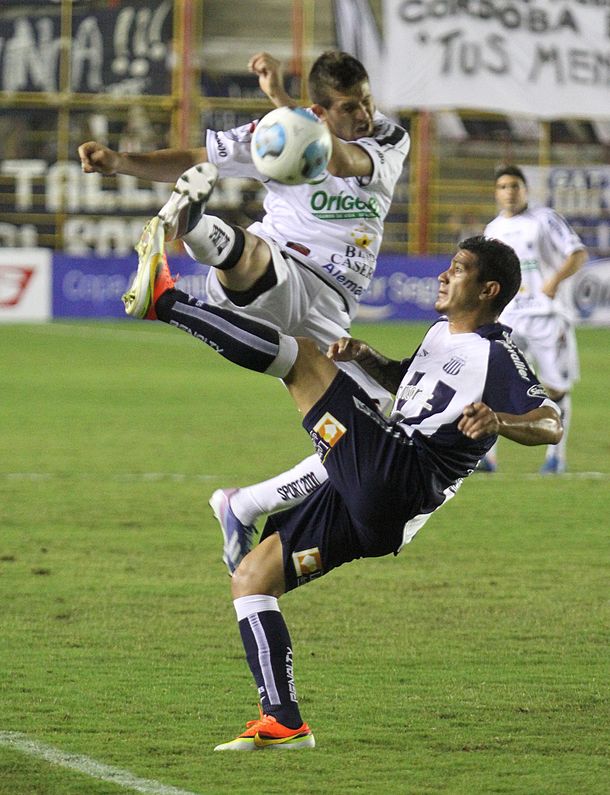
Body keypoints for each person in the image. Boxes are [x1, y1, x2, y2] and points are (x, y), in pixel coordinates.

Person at [121, 234, 562, 749]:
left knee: (302, 359)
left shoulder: (498, 353)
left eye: (458, 269)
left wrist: (500, 420)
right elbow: (408, 384)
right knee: (252, 580)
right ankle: (284, 721)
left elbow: (550, 422)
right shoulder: (441, 332)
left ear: (488, 290)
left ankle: (166, 302)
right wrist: (367, 356)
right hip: (377, 508)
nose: (443, 275)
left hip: (401, 475)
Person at [78, 50, 410, 571]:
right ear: (323, 110)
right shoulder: (276, 134)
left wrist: (285, 110)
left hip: (331, 311)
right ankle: (190, 226)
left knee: (372, 441)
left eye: (366, 101)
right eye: (350, 107)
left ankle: (245, 503)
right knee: (256, 257)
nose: (364, 114)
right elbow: (196, 155)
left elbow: (345, 160)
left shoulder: (388, 137)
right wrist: (120, 163)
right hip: (283, 264)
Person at [479, 164, 587, 474]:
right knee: (494, 385)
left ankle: (556, 460)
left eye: (515, 186)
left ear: (525, 190)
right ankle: (487, 458)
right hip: (510, 318)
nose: (509, 192)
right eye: (503, 187)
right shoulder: (492, 230)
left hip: (547, 317)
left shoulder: (544, 219)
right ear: (496, 193)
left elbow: (577, 253)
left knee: (555, 389)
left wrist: (553, 282)